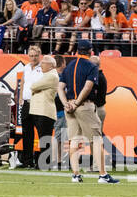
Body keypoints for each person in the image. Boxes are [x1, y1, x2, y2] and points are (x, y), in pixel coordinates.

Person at [59, 39, 117, 183]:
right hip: (83, 105)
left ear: (77, 51)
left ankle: (75, 174)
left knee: (74, 139)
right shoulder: (91, 66)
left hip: (70, 106)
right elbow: (88, 87)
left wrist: (66, 104)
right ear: (90, 51)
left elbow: (60, 88)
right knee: (96, 139)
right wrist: (77, 103)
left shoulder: (69, 66)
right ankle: (103, 175)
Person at [25, 53, 59, 170]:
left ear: (51, 65)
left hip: (45, 112)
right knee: (42, 138)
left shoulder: (51, 76)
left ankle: (44, 163)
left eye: (44, 63)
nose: (41, 65)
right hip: (40, 111)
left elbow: (34, 86)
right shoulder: (47, 75)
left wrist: (35, 89)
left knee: (44, 138)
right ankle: (42, 163)